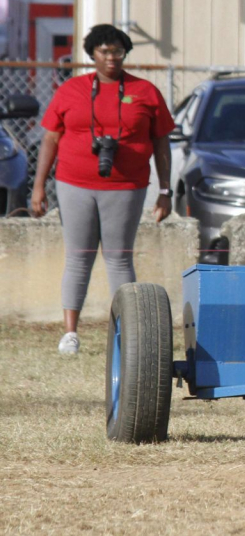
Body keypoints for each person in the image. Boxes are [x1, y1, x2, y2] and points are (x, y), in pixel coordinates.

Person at [31, 24, 175, 355]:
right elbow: (50, 138)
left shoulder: (146, 91)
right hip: (74, 183)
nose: (111, 58)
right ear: (92, 54)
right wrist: (39, 186)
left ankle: (128, 332)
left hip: (126, 186)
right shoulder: (71, 90)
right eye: (104, 51)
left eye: (118, 51)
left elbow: (161, 142)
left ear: (125, 54)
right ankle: (70, 333)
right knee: (79, 257)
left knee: (119, 258)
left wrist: (165, 190)